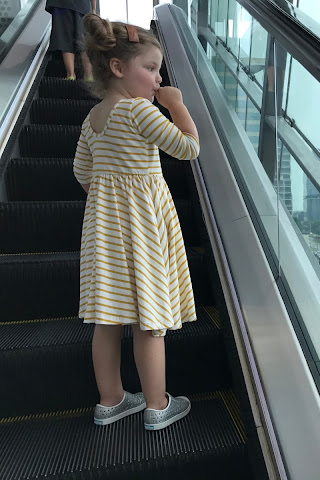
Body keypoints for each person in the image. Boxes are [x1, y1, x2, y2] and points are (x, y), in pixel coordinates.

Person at [73, 14, 200, 431]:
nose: (158, 78)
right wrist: (176, 104)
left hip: (103, 233)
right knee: (149, 319)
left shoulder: (92, 120)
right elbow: (187, 148)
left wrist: (108, 201)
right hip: (144, 229)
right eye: (150, 68)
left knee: (107, 320)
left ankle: (110, 401)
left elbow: (82, 173)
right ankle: (157, 405)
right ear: (117, 67)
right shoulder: (139, 111)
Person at [45, 0, 96, 80]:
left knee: (65, 37)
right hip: (82, 5)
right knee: (84, 39)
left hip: (61, 4)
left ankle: (70, 75)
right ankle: (89, 76)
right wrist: (93, 9)